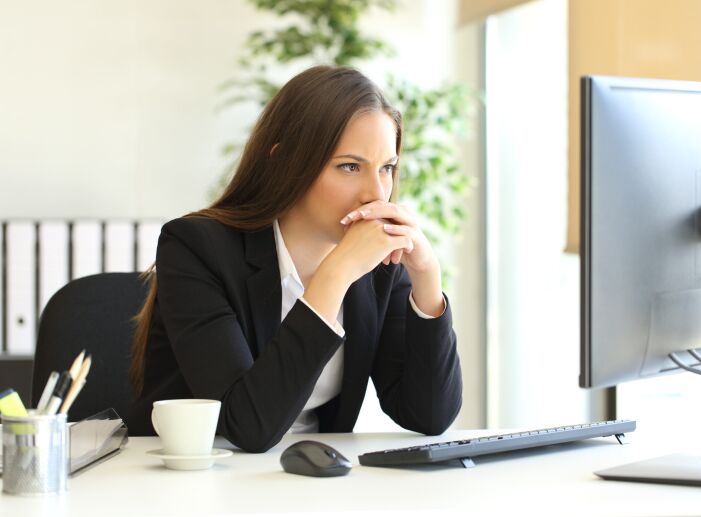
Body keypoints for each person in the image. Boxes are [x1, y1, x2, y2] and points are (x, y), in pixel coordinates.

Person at [127, 65, 463, 453]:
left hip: (303, 481)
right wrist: (336, 273)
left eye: (387, 168)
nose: (376, 194)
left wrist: (426, 277)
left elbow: (430, 415)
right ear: (286, 162)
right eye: (350, 167)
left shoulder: (379, 265)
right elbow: (246, 427)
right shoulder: (196, 247)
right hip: (189, 479)